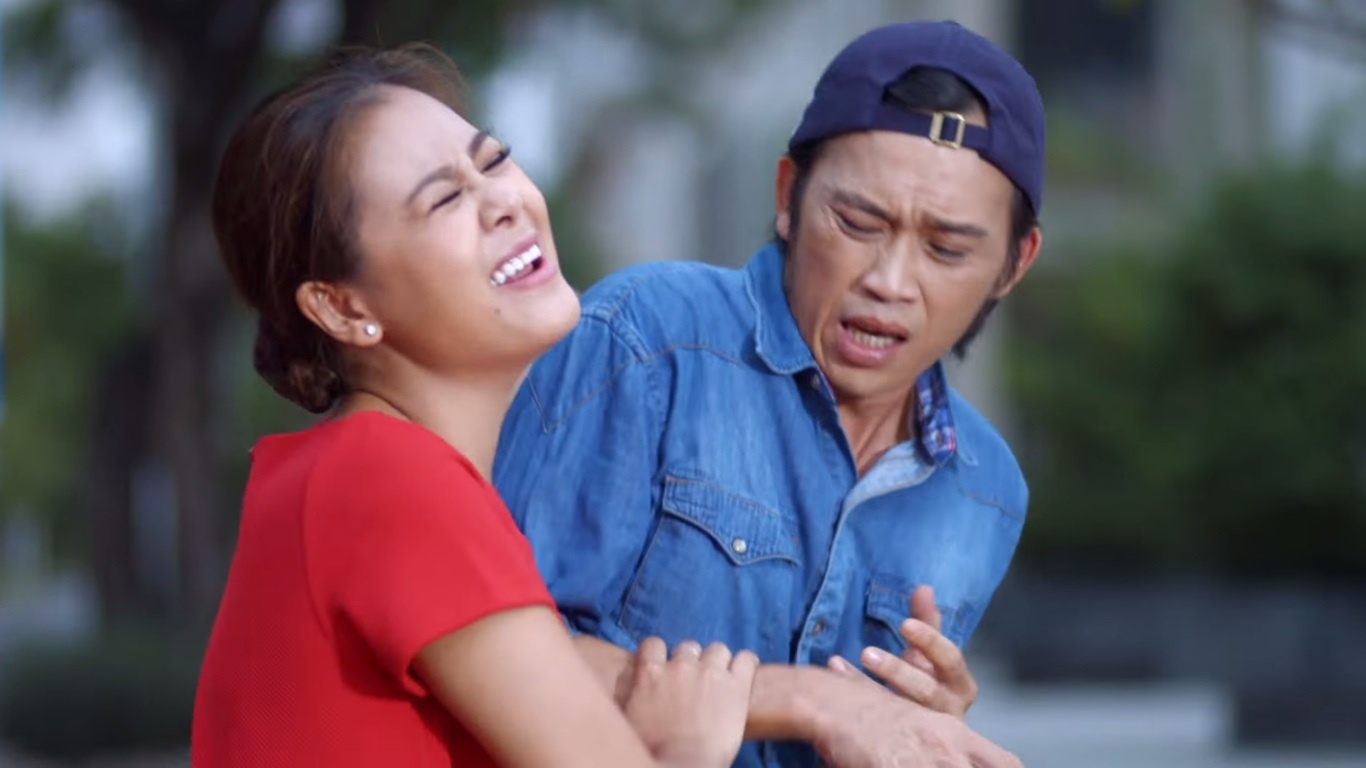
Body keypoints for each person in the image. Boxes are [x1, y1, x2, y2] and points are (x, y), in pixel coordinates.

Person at [191, 44, 762, 768]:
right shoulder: (388, 478)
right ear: (343, 307)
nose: (504, 200)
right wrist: (688, 749)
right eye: (444, 199)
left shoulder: (360, 477)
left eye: (494, 161)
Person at [494, 19, 1045, 767]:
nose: (889, 282)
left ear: (1014, 264)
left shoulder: (988, 489)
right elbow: (496, 651)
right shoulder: (645, 342)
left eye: (947, 250)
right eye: (858, 222)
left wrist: (919, 728)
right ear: (789, 195)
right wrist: (813, 700)